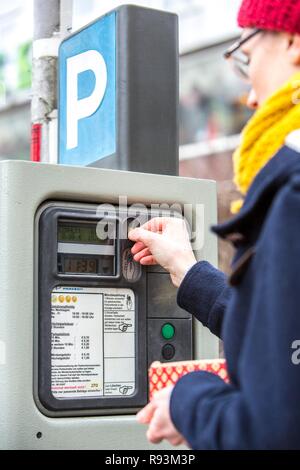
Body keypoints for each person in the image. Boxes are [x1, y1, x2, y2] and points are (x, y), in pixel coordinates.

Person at [128, 0, 300, 450]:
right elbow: (281, 336)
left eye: (246, 57)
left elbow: (273, 430)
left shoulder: (294, 190)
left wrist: (186, 401)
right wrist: (188, 270)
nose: (251, 96)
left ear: (292, 42)